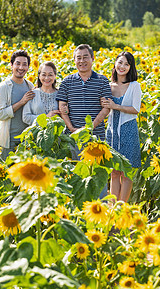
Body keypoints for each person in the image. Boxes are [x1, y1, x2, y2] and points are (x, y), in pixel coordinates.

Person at [56, 44, 112, 198]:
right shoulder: (67, 81)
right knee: (77, 175)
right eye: (78, 58)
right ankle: (79, 210)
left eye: (85, 57)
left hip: (96, 137)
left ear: (92, 59)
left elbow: (106, 108)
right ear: (74, 60)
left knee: (98, 174)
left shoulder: (102, 80)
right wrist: (73, 128)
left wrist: (90, 128)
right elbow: (62, 106)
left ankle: (100, 208)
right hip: (73, 137)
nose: (82, 61)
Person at [101, 51, 142, 203]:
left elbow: (135, 109)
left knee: (126, 172)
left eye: (126, 64)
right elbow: (105, 108)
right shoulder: (108, 85)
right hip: (112, 131)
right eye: (120, 62)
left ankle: (121, 206)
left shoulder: (134, 86)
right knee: (114, 172)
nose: (122, 66)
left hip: (128, 130)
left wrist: (115, 106)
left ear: (130, 68)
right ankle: (112, 208)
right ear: (115, 64)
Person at [0, 50, 35, 160]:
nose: (21, 67)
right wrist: (21, 102)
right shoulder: (3, 87)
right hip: (9, 142)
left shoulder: (30, 85)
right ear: (11, 65)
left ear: (28, 67)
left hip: (26, 142)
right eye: (18, 63)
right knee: (8, 175)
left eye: (24, 64)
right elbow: (1, 115)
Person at [22, 61, 60, 126]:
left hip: (56, 134)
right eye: (44, 74)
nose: (47, 78)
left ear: (55, 76)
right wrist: (46, 117)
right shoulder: (32, 94)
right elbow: (25, 117)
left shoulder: (60, 94)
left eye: (50, 75)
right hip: (37, 134)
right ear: (39, 76)